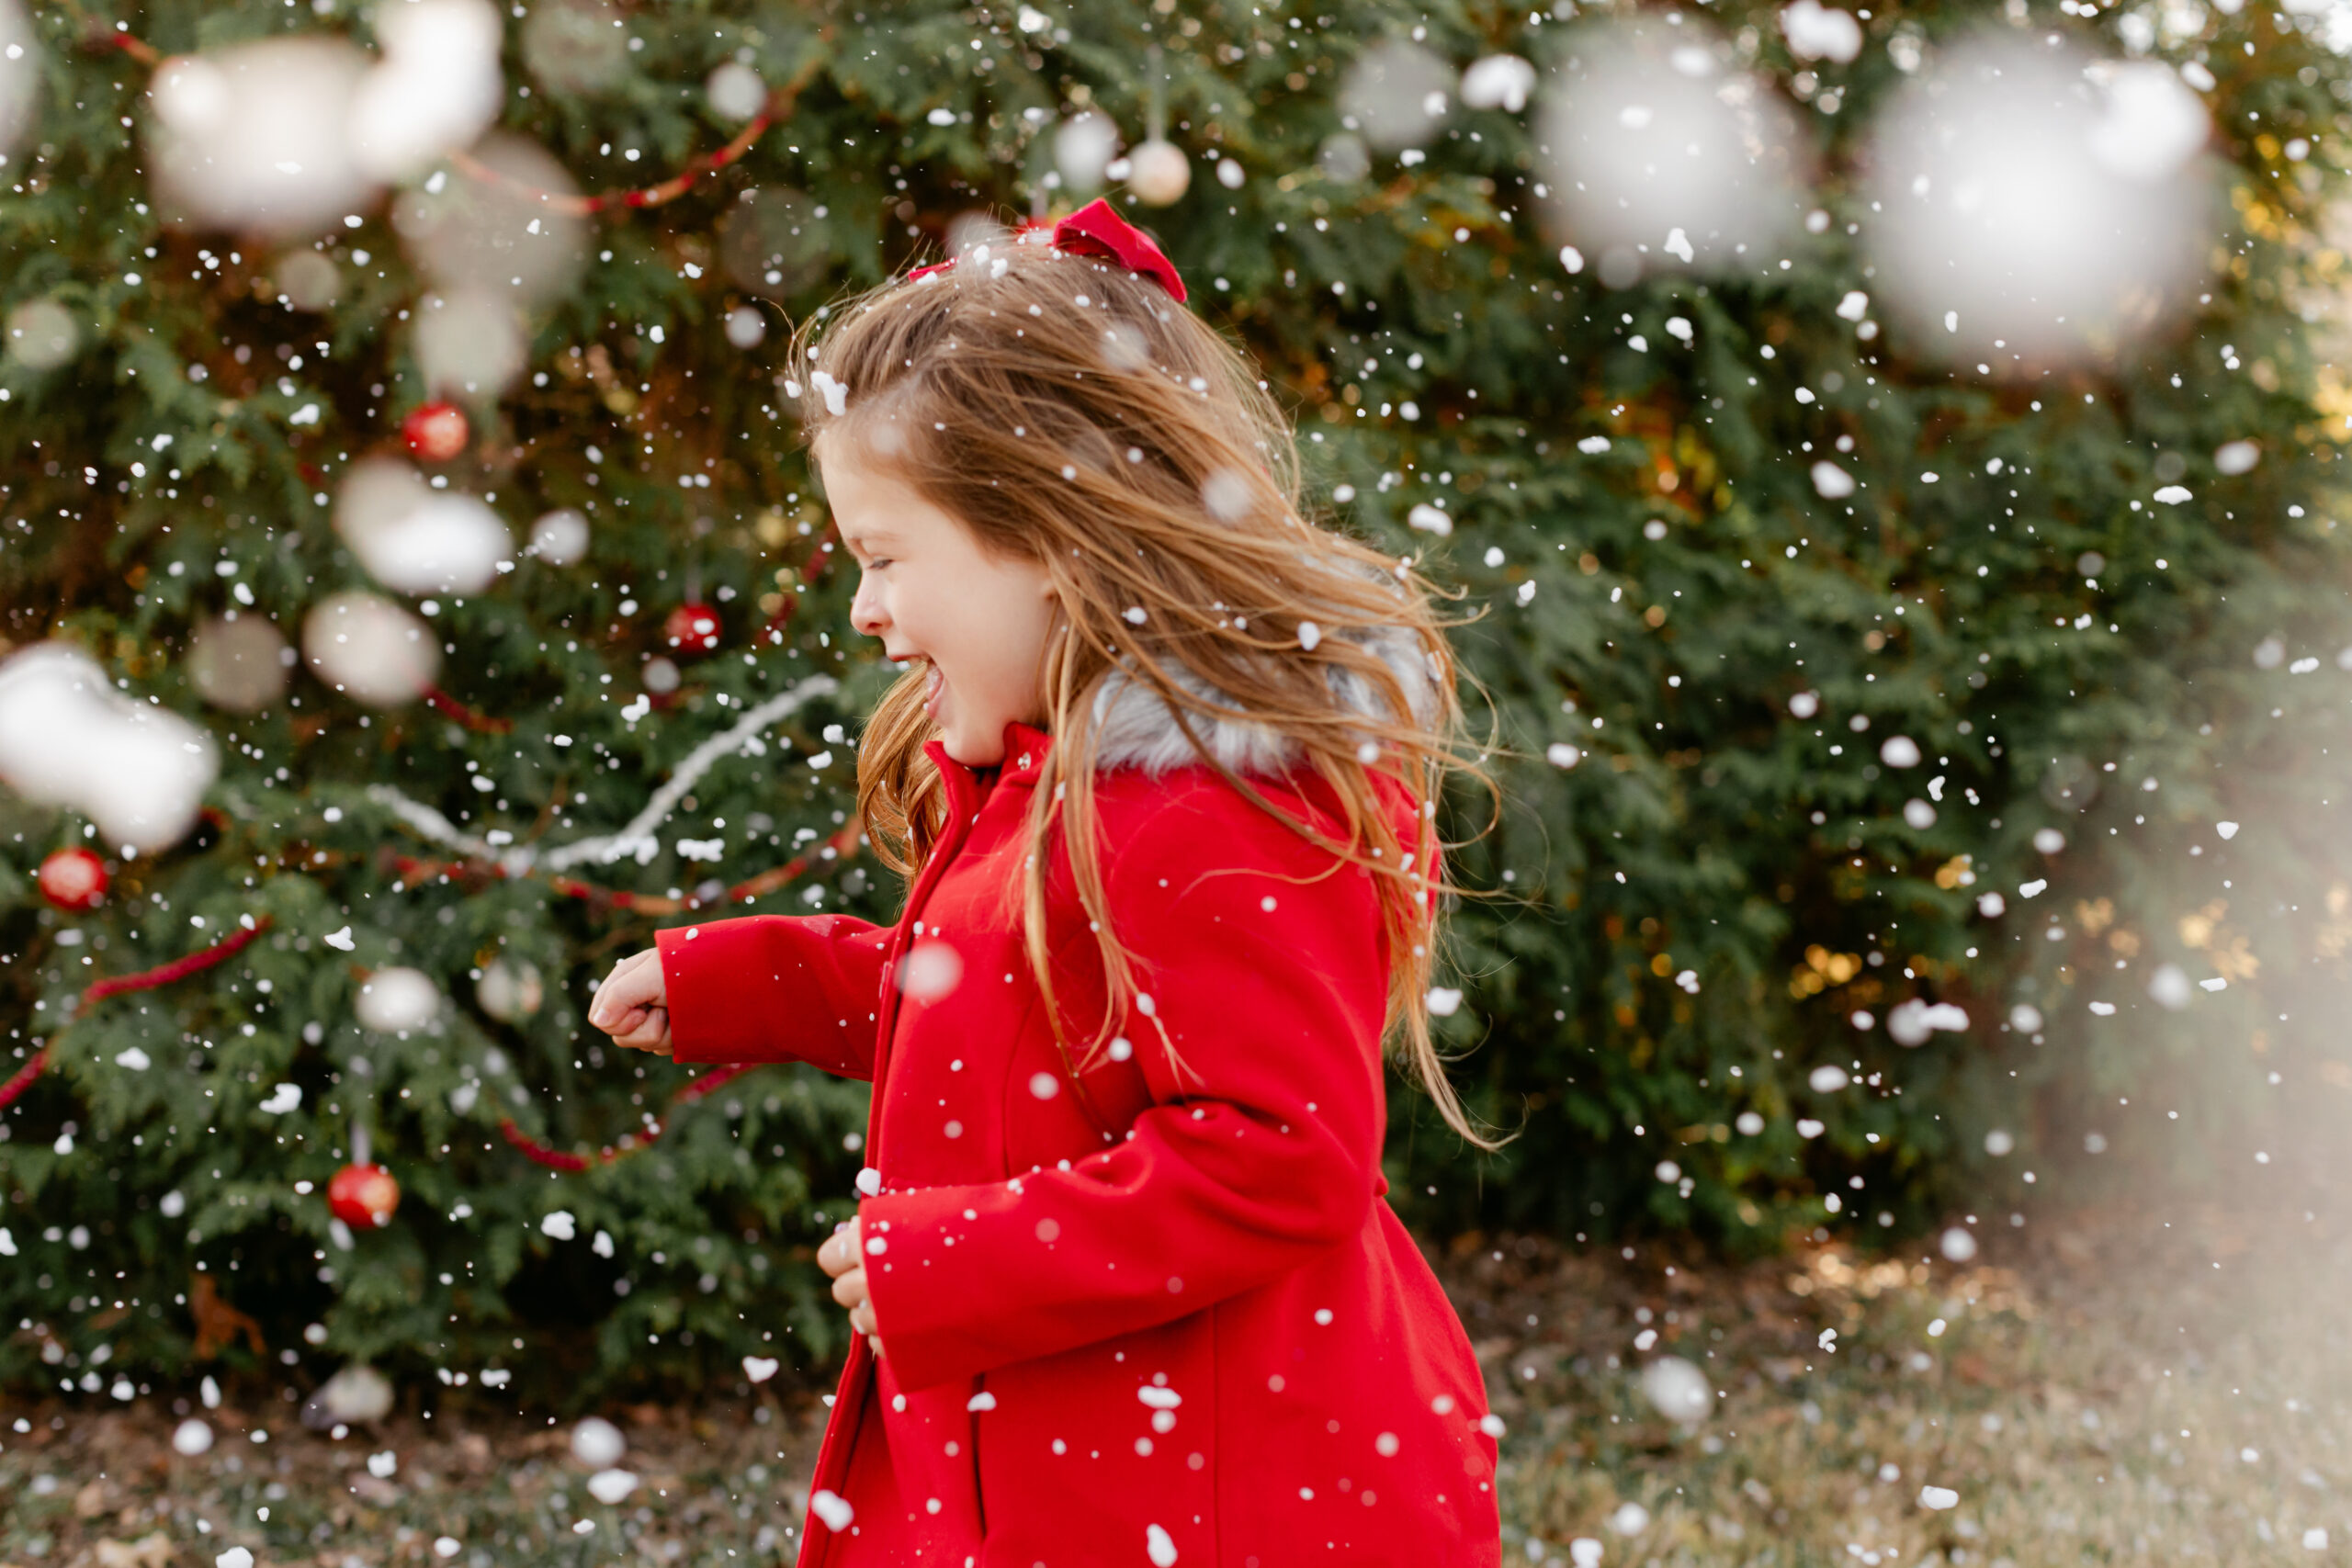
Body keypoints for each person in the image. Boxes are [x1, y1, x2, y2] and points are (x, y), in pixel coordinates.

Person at [587, 197, 1506, 1568]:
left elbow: (1280, 1155)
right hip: (1072, 1463)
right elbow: (1011, 1018)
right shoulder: (1062, 790)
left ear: (1057, 542)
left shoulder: (1203, 811)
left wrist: (961, 1261)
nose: (863, 611)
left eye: (887, 558)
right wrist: (757, 979)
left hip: (1206, 1490)